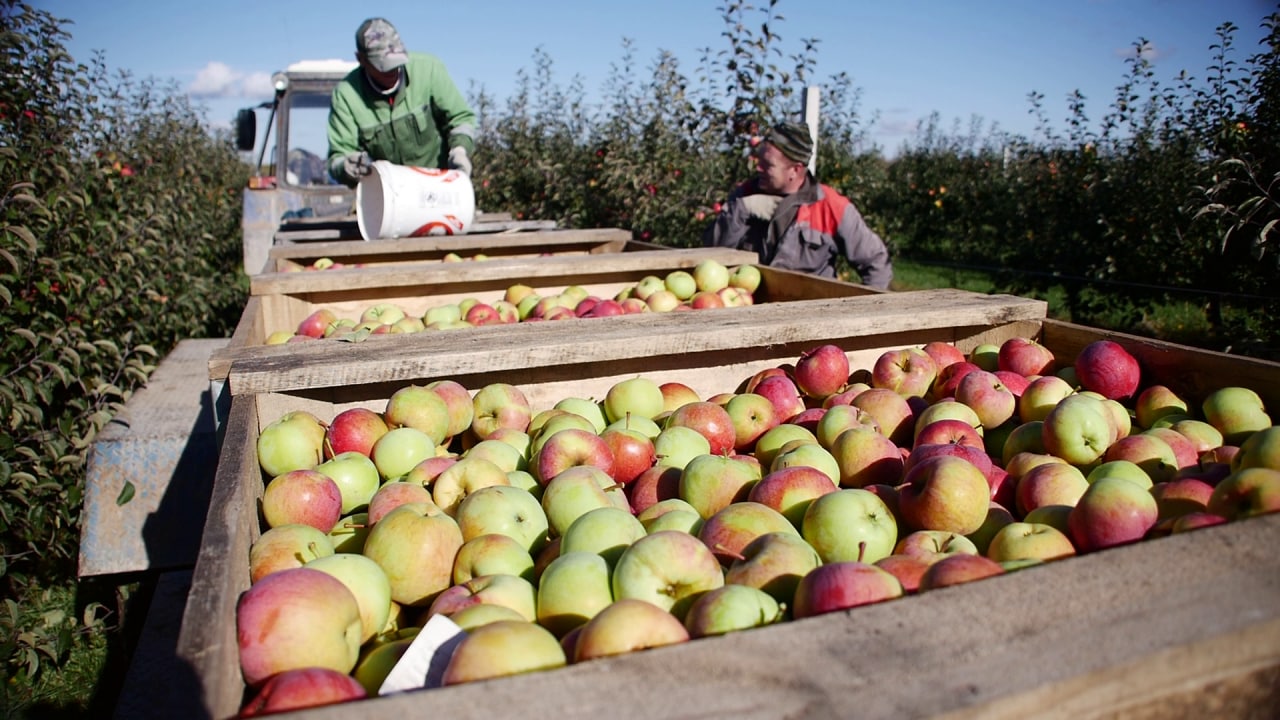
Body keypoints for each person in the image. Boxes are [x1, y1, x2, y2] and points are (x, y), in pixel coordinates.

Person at [702, 121, 893, 289]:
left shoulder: (830, 206)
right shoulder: (745, 195)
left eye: (768, 164)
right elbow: (711, 256)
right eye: (759, 160)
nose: (758, 168)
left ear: (795, 170)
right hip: (752, 308)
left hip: (812, 310)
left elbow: (876, 261)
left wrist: (865, 310)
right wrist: (740, 211)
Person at [327, 17, 477, 187]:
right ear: (361, 59)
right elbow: (338, 156)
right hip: (388, 194)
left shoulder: (429, 70)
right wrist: (347, 166)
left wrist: (459, 150)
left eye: (396, 61)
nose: (392, 70)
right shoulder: (346, 96)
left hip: (439, 185)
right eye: (383, 65)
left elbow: (461, 119)